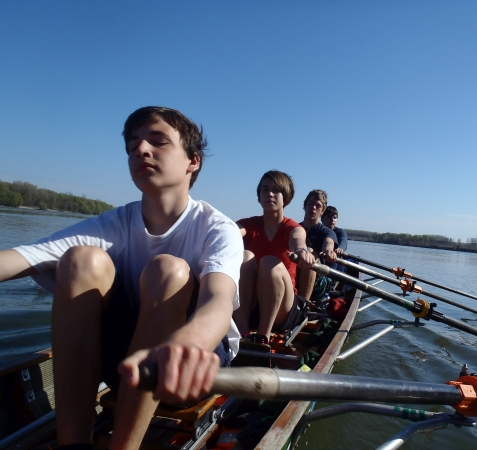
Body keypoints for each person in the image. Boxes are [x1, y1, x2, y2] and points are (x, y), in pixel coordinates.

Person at [0, 106, 244, 450]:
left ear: (193, 161)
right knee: (80, 261)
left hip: (192, 369)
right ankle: (73, 444)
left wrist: (185, 345)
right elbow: (18, 258)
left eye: (157, 142)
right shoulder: (114, 223)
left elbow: (218, 302)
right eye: (133, 147)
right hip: (126, 368)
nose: (141, 150)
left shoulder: (218, 228)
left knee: (168, 270)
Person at [233, 170, 315, 345]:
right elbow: (231, 231)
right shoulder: (248, 224)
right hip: (253, 306)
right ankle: (241, 331)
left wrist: (301, 251)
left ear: (286, 197)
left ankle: (263, 336)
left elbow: (297, 240)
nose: (269, 194)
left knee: (269, 262)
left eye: (276, 190)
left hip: (283, 308)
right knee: (245, 256)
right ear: (259, 195)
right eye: (264, 189)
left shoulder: (292, 228)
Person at [297, 189, 338, 301]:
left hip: (318, 281)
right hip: (295, 272)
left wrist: (329, 251)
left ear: (322, 211)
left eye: (318, 206)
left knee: (309, 252)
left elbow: (328, 243)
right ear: (305, 205)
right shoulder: (293, 228)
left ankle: (303, 304)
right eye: (310, 204)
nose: (313, 207)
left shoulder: (327, 232)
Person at [321, 206, 348, 275]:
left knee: (333, 256)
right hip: (320, 260)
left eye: (335, 217)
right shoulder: (318, 230)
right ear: (322, 218)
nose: (332, 220)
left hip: (336, 264)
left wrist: (340, 248)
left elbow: (343, 241)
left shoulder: (340, 232)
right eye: (329, 217)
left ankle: (331, 282)